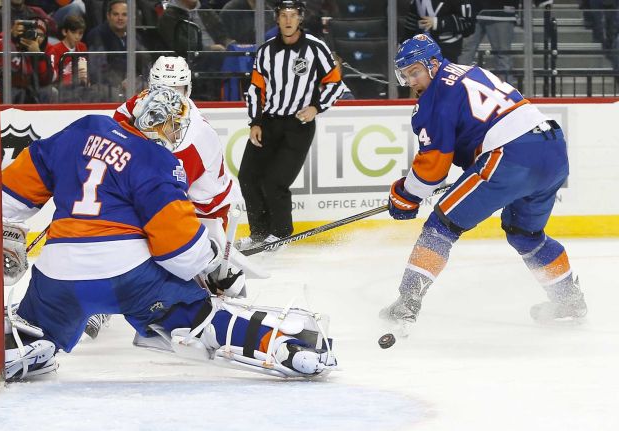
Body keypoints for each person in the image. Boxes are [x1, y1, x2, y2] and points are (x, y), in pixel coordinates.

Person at [0, 86, 336, 380]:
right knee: (195, 317)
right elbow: (177, 250)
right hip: (128, 278)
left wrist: (1, 232)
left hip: (57, 274)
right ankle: (283, 345)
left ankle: (16, 346)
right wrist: (210, 261)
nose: (174, 134)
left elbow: (8, 196)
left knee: (39, 323)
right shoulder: (157, 159)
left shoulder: (83, 128)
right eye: (172, 126)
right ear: (156, 125)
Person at [380, 34, 587, 328]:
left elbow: (433, 167)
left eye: (415, 71)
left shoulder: (434, 98)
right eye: (405, 75)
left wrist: (406, 195)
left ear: (434, 64)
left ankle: (406, 303)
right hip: (552, 147)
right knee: (524, 234)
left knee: (441, 225)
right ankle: (568, 299)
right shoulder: (471, 71)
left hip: (511, 155)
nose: (412, 81)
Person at [236, 0, 346, 250]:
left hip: (297, 127)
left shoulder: (316, 48)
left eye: (293, 15)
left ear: (300, 18)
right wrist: (255, 121)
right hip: (268, 124)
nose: (288, 20)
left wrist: (317, 107)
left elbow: (335, 84)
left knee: (275, 181)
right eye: (283, 15)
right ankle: (260, 234)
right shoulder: (265, 51)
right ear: (276, 18)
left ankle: (281, 235)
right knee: (248, 177)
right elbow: (256, 88)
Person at [113, 56, 243, 229]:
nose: (170, 96)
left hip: (205, 214)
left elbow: (168, 195)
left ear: (187, 89)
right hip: (174, 202)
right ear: (151, 89)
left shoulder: (193, 135)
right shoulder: (143, 102)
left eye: (176, 89)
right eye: (161, 89)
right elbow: (116, 125)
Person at [0, 19, 56, 103]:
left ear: (45, 38)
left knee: (51, 92)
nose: (35, 38)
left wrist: (38, 56)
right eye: (32, 33)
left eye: (40, 35)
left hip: (33, 88)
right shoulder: (10, 42)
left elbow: (47, 80)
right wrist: (11, 36)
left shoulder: (48, 49)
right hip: (7, 86)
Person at [85, 0, 148, 101]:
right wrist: (120, 82)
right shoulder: (98, 35)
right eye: (116, 14)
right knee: (114, 95)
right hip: (107, 86)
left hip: (131, 84)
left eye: (124, 15)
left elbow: (144, 63)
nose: (120, 18)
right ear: (108, 16)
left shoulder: (134, 36)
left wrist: (137, 79)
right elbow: (97, 72)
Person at [403, 0, 475, 63]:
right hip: (422, 46)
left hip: (448, 47)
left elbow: (466, 21)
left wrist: (437, 22)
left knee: (444, 75)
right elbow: (412, 19)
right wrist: (404, 42)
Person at [46, 14, 88, 86]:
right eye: (73, 32)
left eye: (80, 33)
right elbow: (52, 77)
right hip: (62, 89)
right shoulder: (54, 50)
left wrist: (85, 80)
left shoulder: (82, 47)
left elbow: (85, 73)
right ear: (64, 32)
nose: (77, 37)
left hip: (80, 88)